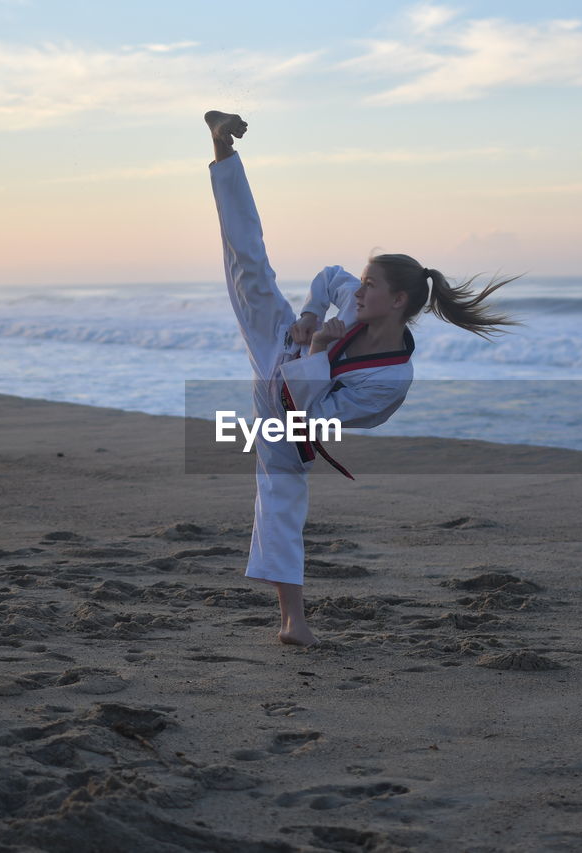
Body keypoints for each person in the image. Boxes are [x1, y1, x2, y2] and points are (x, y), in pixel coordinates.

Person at [205, 110, 521, 646]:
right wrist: (308, 316)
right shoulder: (358, 304)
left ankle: (292, 622)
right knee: (248, 263)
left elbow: (318, 419)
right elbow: (330, 277)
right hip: (283, 344)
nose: (357, 293)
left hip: (292, 409)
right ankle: (223, 150)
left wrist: (321, 350)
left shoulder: (390, 380)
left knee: (281, 496)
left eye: (369, 285)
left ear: (397, 301)